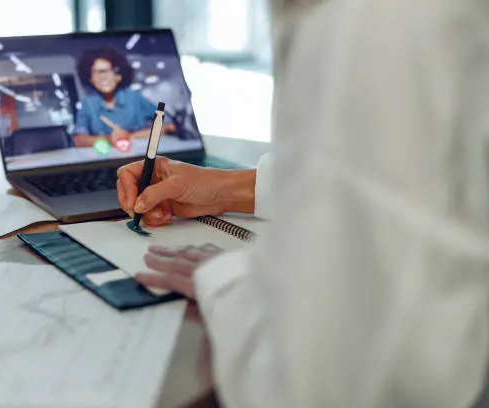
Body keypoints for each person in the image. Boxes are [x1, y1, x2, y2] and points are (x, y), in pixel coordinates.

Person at [116, 0, 489, 407]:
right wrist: (226, 187)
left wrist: (229, 281)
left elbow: (316, 388)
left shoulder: (370, 25)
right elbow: (430, 171)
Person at [73, 46, 176, 148]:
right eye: (96, 72)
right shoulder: (88, 104)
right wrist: (108, 139)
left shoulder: (134, 98)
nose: (102, 77)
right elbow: (78, 140)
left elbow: (168, 125)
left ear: (118, 76)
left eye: (107, 71)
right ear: (91, 79)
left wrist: (133, 136)